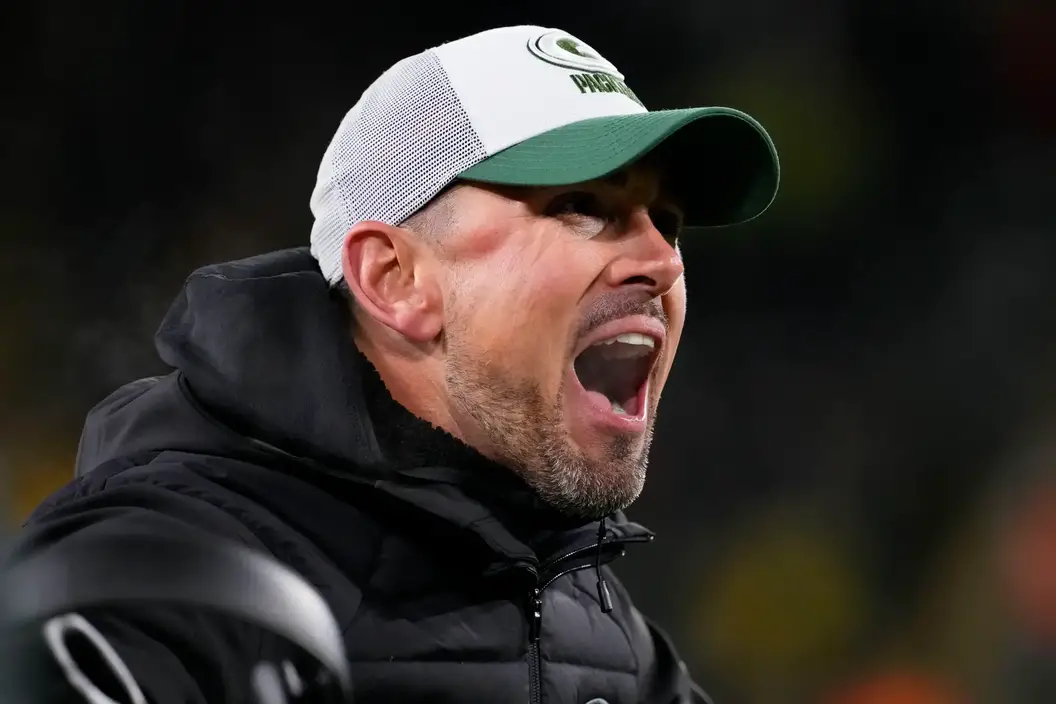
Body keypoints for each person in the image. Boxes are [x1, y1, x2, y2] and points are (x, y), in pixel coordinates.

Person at [10, 25, 779, 704]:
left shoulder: (600, 627)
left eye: (667, 223)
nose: (659, 260)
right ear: (393, 279)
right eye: (584, 206)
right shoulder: (165, 569)